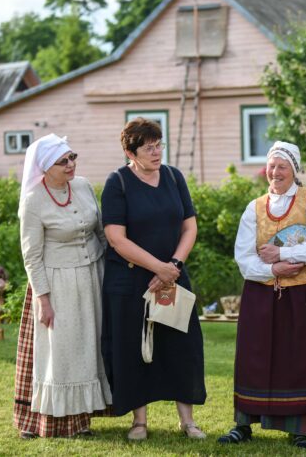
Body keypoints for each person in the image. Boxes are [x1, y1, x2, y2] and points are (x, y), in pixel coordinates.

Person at [218, 141, 306, 448]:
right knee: (254, 359)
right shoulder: (255, 207)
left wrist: (281, 252)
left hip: (304, 297)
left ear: (295, 170)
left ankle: (305, 425)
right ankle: (244, 423)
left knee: (303, 360)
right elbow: (244, 258)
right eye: (272, 166)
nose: (275, 172)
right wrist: (274, 270)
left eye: (282, 167)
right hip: (261, 296)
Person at [100, 118, 206, 441]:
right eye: (149, 147)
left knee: (182, 347)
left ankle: (187, 421)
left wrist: (172, 265)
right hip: (131, 281)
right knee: (134, 349)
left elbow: (190, 227)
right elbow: (116, 238)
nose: (157, 152)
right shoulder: (117, 183)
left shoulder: (174, 177)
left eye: (159, 145)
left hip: (173, 277)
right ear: (130, 152)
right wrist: (156, 267)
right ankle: (139, 422)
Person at [14, 133, 112, 438]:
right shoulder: (34, 201)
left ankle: (82, 420)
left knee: (88, 348)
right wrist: (43, 300)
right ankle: (57, 422)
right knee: (62, 351)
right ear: (46, 167)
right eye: (63, 161)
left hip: (92, 275)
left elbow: (101, 232)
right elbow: (31, 256)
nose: (71, 165)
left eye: (73, 158)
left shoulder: (82, 186)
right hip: (58, 283)